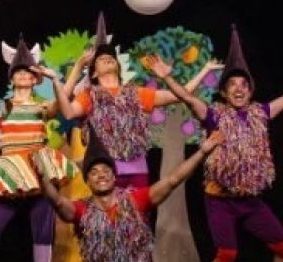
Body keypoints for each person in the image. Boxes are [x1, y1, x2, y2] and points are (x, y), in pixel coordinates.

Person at [22, 126, 222, 262]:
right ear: (88, 181)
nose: (101, 175)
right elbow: (58, 202)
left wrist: (202, 152)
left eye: (106, 170)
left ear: (114, 176)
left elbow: (173, 180)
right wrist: (43, 178)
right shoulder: (82, 209)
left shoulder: (136, 200)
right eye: (94, 172)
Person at [146, 24, 283, 262]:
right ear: (223, 91)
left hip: (251, 200)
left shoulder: (261, 113)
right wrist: (167, 77)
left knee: (281, 246)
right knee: (227, 253)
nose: (239, 89)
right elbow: (187, 98)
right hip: (220, 200)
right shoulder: (213, 115)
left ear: (250, 91)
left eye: (244, 85)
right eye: (232, 85)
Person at [54, 12, 218, 189]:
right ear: (93, 73)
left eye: (111, 57)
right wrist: (78, 67)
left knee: (138, 207)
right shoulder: (89, 95)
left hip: (137, 170)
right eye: (101, 59)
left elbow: (181, 95)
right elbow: (68, 112)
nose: (108, 58)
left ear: (118, 67)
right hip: (105, 170)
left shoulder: (135, 94)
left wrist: (204, 70)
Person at [0, 36, 78, 262]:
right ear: (12, 78)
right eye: (17, 71)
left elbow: (63, 101)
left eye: (27, 72)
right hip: (9, 171)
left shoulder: (42, 107)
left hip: (38, 168)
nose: (22, 75)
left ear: (35, 79)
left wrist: (64, 74)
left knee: (42, 227)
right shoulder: (5, 106)